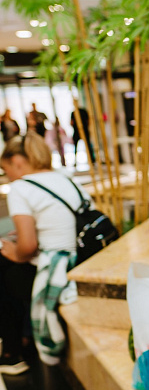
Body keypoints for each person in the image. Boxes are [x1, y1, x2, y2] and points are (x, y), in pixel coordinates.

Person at [0, 132, 90, 372]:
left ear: (17, 162)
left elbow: (27, 247)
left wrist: (13, 252)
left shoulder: (20, 187)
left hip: (58, 268)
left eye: (5, 169)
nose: (7, 175)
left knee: (6, 270)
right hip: (83, 258)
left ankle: (12, 352)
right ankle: (25, 336)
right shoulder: (66, 178)